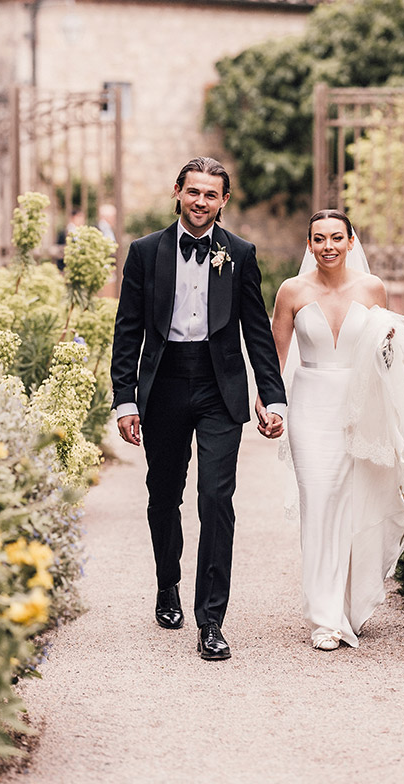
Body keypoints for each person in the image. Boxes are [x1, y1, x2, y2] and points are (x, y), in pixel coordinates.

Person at [111, 157, 287, 661]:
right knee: (163, 496)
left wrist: (271, 396)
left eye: (211, 195)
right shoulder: (146, 252)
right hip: (163, 385)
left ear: (224, 201)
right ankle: (168, 583)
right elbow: (127, 330)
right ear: (178, 192)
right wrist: (125, 399)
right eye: (194, 192)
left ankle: (211, 620)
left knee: (216, 499)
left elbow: (257, 329)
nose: (201, 202)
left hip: (218, 388)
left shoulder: (241, 254)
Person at [266, 210, 404, 651]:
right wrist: (269, 403)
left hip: (361, 407)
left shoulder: (372, 289)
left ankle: (350, 603)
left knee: (357, 501)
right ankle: (325, 617)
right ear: (308, 245)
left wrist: (390, 353)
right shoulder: (291, 291)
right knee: (320, 502)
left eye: (336, 237)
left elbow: (388, 352)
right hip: (310, 406)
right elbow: (274, 355)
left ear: (351, 241)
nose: (328, 246)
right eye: (318, 239)